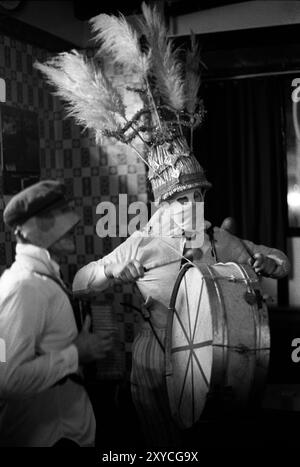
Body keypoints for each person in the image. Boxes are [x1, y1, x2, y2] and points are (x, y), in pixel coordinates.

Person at [0, 180, 113, 447]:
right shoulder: (23, 286)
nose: (71, 227)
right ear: (27, 232)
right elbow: (8, 379)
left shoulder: (40, 279)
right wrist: (77, 353)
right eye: (51, 221)